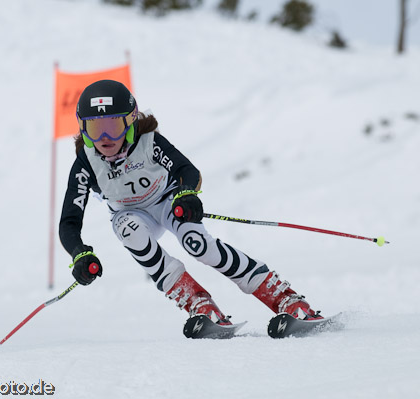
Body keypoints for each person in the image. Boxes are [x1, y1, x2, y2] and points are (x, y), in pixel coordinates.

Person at [58, 80, 322, 337]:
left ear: (130, 121)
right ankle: (199, 304)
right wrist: (79, 253)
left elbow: (187, 170)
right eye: (94, 129)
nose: (105, 138)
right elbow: (69, 222)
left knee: (197, 243)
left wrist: (186, 194)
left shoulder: (147, 142)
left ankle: (284, 298)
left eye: (112, 126)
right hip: (131, 215)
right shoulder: (86, 163)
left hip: (166, 201)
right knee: (128, 230)